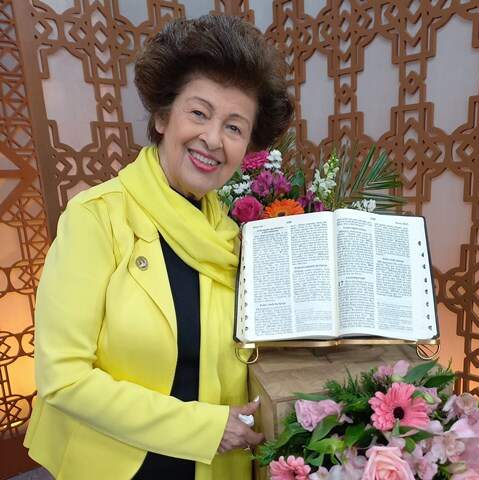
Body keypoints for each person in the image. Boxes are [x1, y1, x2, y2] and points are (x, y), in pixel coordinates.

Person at [24, 15, 293, 480]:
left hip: (217, 463)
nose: (213, 139)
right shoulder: (97, 217)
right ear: (163, 117)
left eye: (234, 127)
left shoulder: (229, 237)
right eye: (199, 113)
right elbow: (63, 378)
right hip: (120, 465)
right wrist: (202, 428)